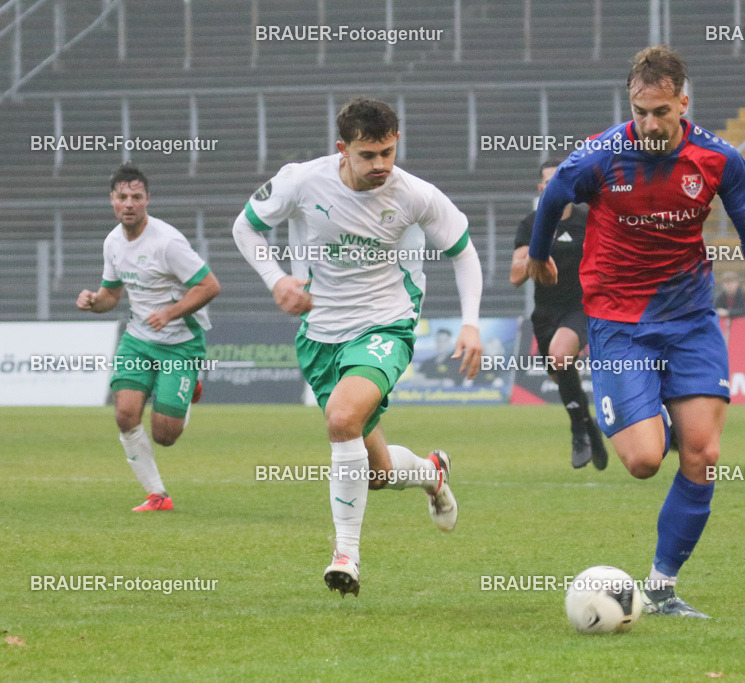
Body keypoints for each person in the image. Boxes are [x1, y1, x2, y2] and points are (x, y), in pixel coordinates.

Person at [526, 46, 745, 618]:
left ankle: (661, 587)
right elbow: (553, 197)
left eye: (660, 111)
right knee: (646, 460)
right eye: (639, 111)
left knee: (703, 453)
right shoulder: (600, 156)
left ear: (683, 103)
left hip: (691, 317)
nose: (649, 123)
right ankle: (637, 411)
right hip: (618, 320)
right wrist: (543, 256)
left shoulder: (717, 159)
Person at [233, 97, 483, 598]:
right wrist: (275, 279)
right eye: (369, 155)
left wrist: (471, 323)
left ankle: (345, 553)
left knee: (342, 418)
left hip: (386, 325)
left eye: (389, 152)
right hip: (320, 334)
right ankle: (432, 473)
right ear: (342, 150)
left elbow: (463, 252)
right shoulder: (302, 182)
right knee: (377, 474)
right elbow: (246, 227)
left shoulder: (414, 194)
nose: (381, 166)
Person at [76, 163, 220, 512]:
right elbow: (111, 294)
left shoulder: (168, 242)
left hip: (181, 342)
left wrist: (169, 314)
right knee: (125, 414)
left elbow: (210, 286)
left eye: (136, 197)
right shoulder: (112, 242)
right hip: (138, 338)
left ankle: (187, 392)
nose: (129, 203)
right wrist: (95, 302)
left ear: (147, 201)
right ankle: (158, 495)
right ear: (112, 200)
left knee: (164, 436)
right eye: (122, 197)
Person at [510, 160, 609, 470]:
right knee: (560, 373)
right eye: (548, 181)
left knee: (560, 355)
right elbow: (515, 277)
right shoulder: (531, 225)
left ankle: (578, 431)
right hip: (545, 312)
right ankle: (586, 422)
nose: (554, 185)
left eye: (560, 179)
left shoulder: (588, 220)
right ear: (541, 188)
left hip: (581, 306)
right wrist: (535, 259)